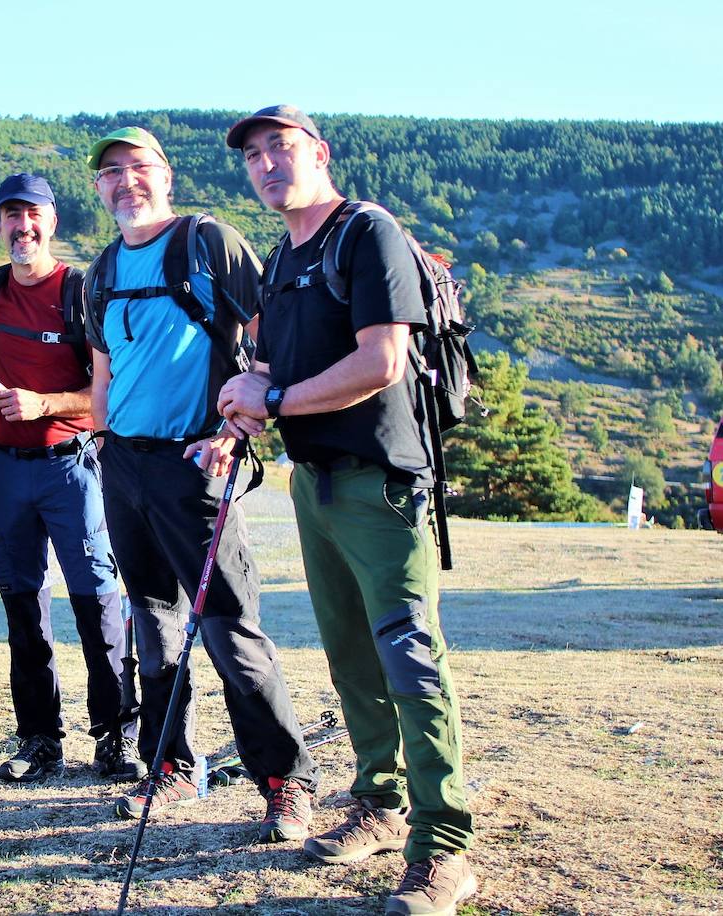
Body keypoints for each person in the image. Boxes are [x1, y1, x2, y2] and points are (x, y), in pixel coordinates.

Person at [218, 105, 477, 915]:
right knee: (351, 660)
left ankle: (445, 846)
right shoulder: (283, 254)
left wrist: (278, 395)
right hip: (316, 482)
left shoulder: (369, 233)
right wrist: (245, 412)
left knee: (410, 663)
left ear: (319, 153)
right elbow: (272, 365)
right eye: (253, 155)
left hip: (381, 484)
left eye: (281, 148)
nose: (266, 164)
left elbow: (381, 359)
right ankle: (381, 801)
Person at [83, 126, 319, 839]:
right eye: (112, 173)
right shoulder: (100, 269)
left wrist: (235, 430)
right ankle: (173, 770)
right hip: (123, 466)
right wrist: (102, 440)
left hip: (197, 466)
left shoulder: (207, 242)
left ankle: (286, 780)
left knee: (226, 628)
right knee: (152, 629)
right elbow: (102, 368)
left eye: (139, 168)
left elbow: (271, 333)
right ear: (98, 189)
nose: (126, 181)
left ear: (167, 176)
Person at [0, 173, 142, 784]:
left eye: (33, 215)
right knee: (22, 607)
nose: (23, 227)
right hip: (5, 470)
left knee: (97, 602)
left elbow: (108, 397)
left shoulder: (80, 292)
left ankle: (116, 735)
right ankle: (40, 739)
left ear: (53, 221)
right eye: (11, 215)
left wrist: (42, 404)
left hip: (73, 468)